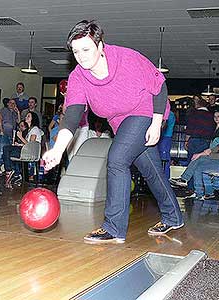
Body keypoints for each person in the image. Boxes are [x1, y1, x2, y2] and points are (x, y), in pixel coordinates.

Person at [43, 20, 183, 244]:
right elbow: (72, 115)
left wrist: (157, 123)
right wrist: (57, 150)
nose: (81, 56)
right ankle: (173, 216)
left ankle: (113, 227)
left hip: (146, 112)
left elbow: (159, 86)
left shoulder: (127, 59)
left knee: (117, 159)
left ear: (100, 46)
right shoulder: (78, 77)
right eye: (76, 51)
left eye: (86, 49)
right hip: (121, 123)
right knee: (151, 170)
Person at [171, 123, 219, 200]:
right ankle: (198, 193)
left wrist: (204, 155)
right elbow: (214, 149)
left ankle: (186, 180)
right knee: (198, 164)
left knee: (199, 162)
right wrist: (200, 154)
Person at [4, 111, 43, 186]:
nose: (26, 117)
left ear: (33, 119)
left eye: (28, 116)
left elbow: (31, 145)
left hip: (30, 152)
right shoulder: (30, 130)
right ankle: (16, 172)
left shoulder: (34, 129)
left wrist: (20, 137)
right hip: (27, 150)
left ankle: (10, 171)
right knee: (8, 153)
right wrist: (19, 144)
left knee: (7, 150)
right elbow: (28, 143)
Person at [157, 109, 175, 179]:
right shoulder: (171, 114)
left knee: (164, 158)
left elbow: (164, 126)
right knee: (164, 157)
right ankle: (165, 177)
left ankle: (164, 178)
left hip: (165, 137)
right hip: (166, 137)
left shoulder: (168, 114)